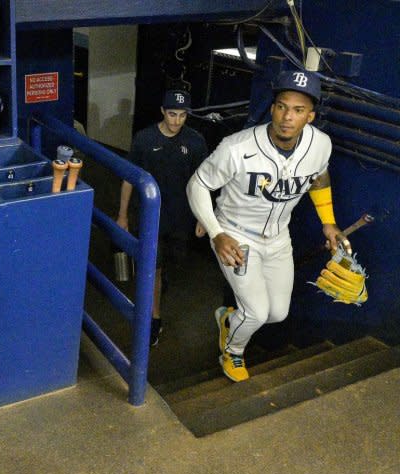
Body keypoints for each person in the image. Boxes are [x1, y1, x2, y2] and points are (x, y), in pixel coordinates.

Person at [186, 69, 351, 382]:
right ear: (272, 108)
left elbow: (319, 176)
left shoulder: (320, 145)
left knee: (278, 313)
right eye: (282, 106)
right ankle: (232, 351)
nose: (288, 116)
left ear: (311, 116)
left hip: (278, 236)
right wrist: (216, 232)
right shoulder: (236, 147)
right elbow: (197, 184)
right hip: (235, 233)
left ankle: (229, 320)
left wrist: (328, 223)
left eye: (298, 110)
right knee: (257, 312)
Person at [116, 89, 208, 346]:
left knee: (169, 264)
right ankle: (153, 320)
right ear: (162, 112)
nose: (176, 121)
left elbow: (203, 182)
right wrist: (122, 215)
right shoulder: (144, 140)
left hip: (180, 217)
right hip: (150, 217)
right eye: (171, 114)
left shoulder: (196, 142)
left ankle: (158, 282)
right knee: (153, 268)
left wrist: (203, 217)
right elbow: (128, 179)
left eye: (181, 115)